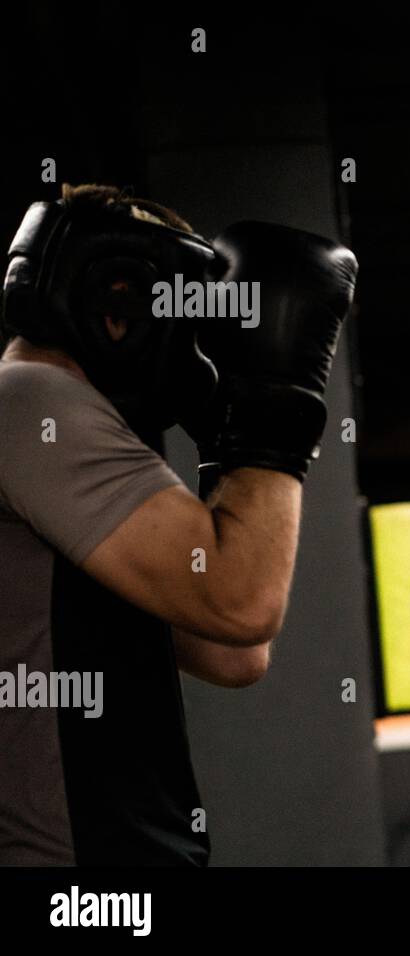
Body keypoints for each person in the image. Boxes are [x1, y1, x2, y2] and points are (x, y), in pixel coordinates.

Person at [0, 184, 356, 864]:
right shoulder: (31, 404)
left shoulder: (54, 438)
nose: (194, 352)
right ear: (120, 305)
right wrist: (276, 408)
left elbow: (232, 649)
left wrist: (227, 445)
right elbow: (243, 602)